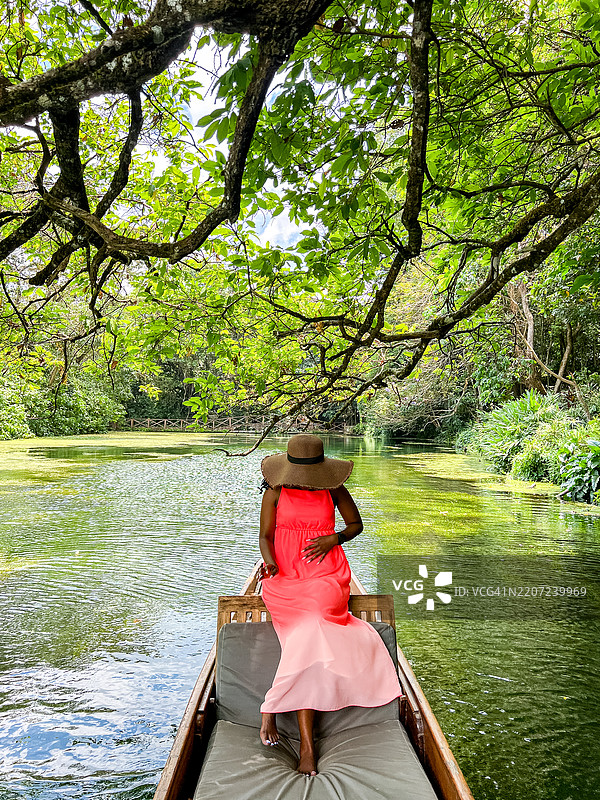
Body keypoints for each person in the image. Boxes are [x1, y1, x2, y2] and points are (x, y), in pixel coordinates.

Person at [257, 434, 402, 777]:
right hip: (286, 576)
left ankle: (273, 708)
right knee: (307, 632)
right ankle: (303, 741)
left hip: (326, 574)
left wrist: (332, 538)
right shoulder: (275, 491)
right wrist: (270, 563)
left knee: (314, 623)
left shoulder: (332, 488)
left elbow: (356, 525)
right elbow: (265, 537)